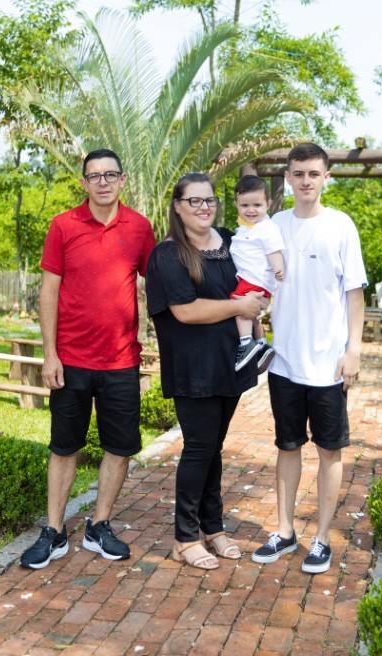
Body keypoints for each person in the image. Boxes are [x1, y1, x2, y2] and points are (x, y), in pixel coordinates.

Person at [20, 148, 156, 570]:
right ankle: (55, 531)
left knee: (120, 447)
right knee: (64, 447)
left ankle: (99, 525)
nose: (102, 182)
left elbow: (160, 281)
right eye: (94, 176)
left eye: (110, 174)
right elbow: (48, 292)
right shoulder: (63, 225)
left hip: (121, 361)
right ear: (84, 182)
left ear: (122, 179)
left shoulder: (139, 227)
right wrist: (50, 354)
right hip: (71, 361)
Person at [252, 142, 366, 574]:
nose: (306, 181)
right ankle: (284, 531)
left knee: (329, 451)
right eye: (298, 173)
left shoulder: (341, 226)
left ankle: (321, 538)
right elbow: (257, 283)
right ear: (287, 178)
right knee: (287, 446)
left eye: (314, 174)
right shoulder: (274, 225)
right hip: (285, 362)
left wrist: (353, 350)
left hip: (328, 365)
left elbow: (354, 294)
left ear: (326, 178)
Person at [146, 173, 265, 570]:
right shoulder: (168, 255)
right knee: (199, 449)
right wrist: (240, 307)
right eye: (193, 201)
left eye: (209, 200)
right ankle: (184, 538)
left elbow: (254, 277)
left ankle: (213, 528)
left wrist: (258, 302)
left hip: (230, 362)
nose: (203, 207)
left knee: (214, 447)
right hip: (193, 367)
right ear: (177, 206)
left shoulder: (230, 241)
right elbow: (185, 310)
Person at [229, 174, 286, 372]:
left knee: (240, 307)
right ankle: (261, 344)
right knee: (252, 315)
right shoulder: (247, 227)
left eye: (257, 205)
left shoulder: (267, 228)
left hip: (255, 279)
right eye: (245, 205)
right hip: (251, 278)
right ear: (236, 204)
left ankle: (246, 343)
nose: (251, 210)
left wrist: (278, 267)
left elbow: (274, 250)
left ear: (268, 204)